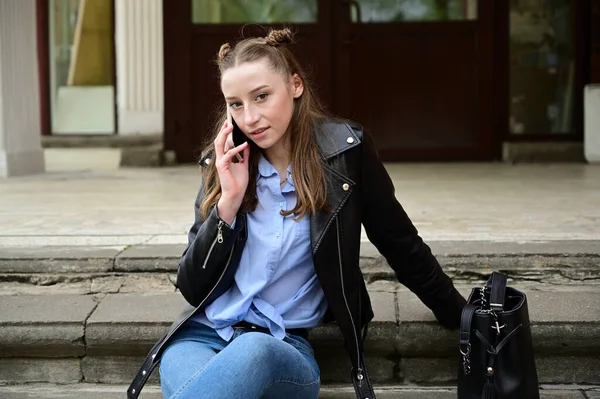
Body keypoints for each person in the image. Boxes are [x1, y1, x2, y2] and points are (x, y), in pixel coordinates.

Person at [128, 28, 466, 399]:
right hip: (204, 335)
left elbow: (400, 243)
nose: (250, 117)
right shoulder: (223, 164)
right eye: (236, 104)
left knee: (250, 352)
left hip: (282, 347)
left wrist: (460, 314)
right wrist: (229, 202)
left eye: (262, 96)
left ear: (295, 86)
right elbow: (193, 287)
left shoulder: (345, 155)